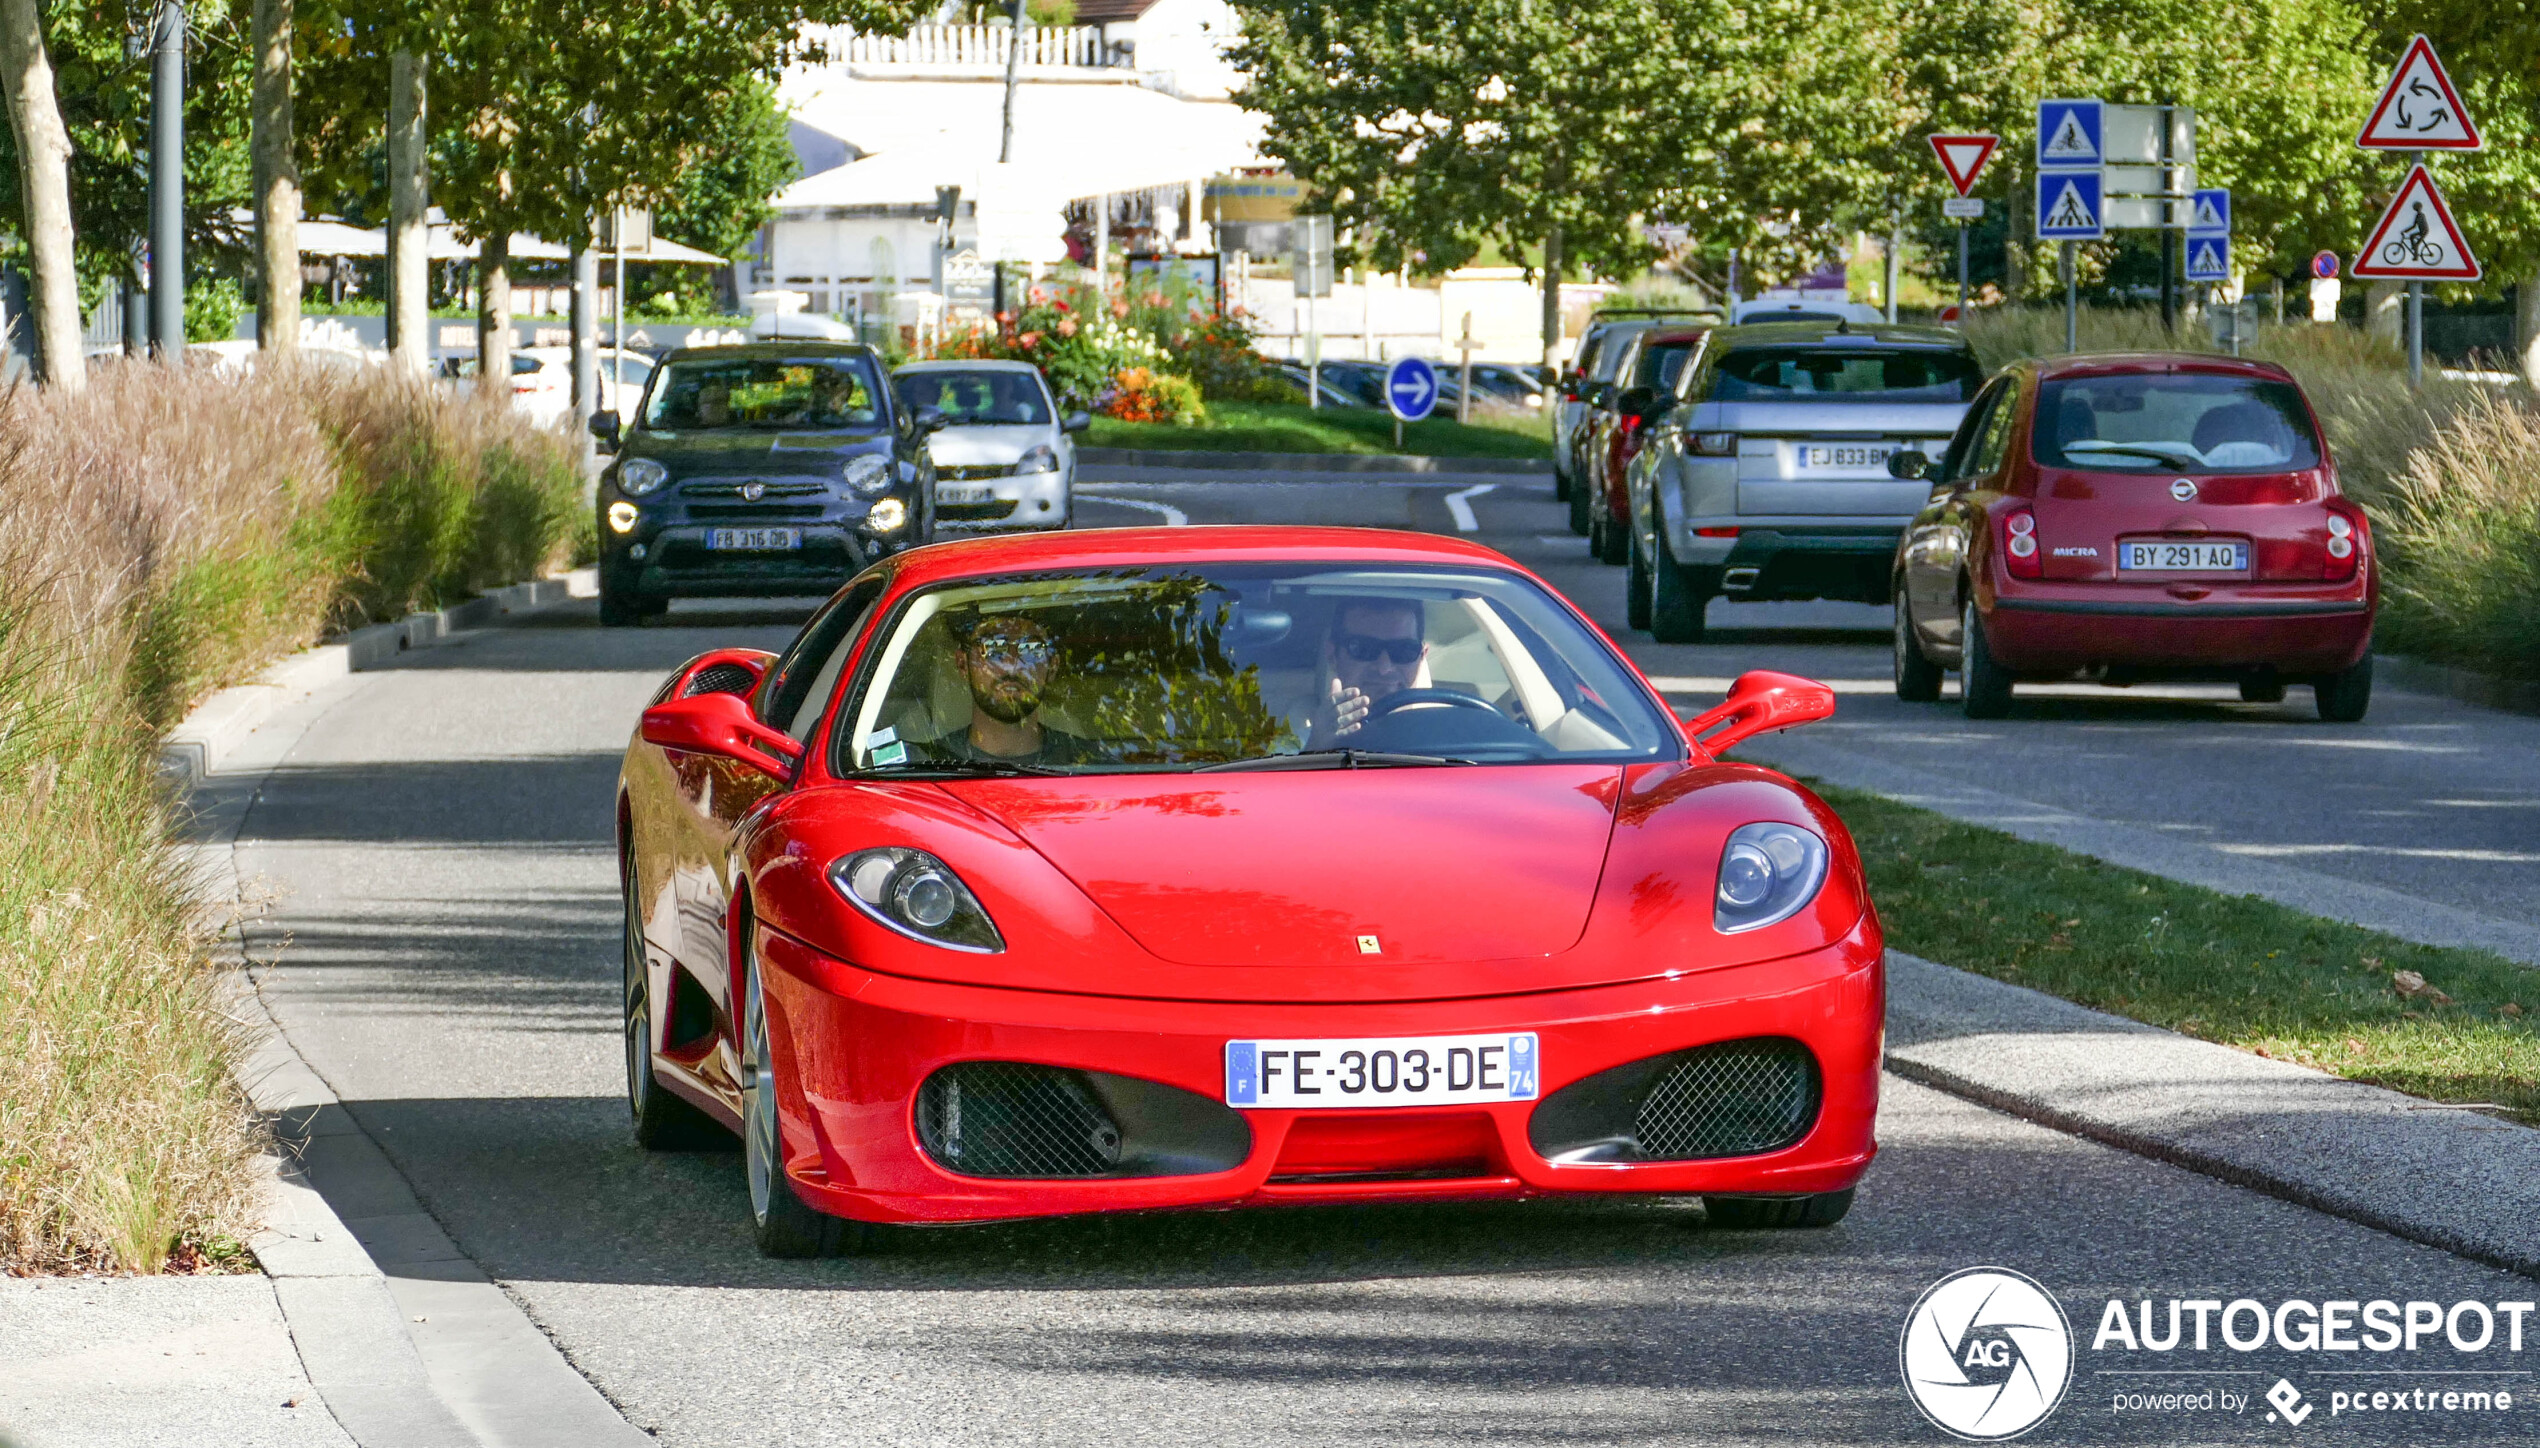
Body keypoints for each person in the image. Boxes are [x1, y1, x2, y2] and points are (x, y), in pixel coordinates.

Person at [917, 608, 1091, 766]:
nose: (1012, 663)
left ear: (1052, 667)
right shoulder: (927, 764)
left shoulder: (1091, 766)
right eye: (993, 647)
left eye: (1031, 649)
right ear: (963, 664)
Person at [1310, 597, 1429, 746]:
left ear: (1422, 656)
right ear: (1332, 656)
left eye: (1403, 650)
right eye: (1364, 649)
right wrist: (1316, 749)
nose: (1384, 668)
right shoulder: (1295, 743)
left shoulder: (1451, 738)